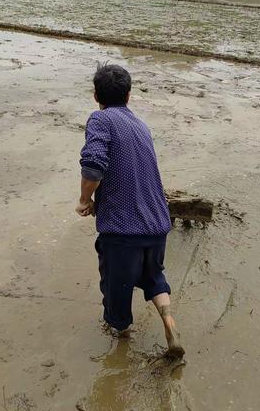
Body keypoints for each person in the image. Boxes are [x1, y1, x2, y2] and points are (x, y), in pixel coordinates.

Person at [76, 63, 185, 359]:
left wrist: (85, 200)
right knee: (153, 277)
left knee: (116, 285)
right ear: (129, 96)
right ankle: (168, 319)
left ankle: (121, 331)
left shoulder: (100, 119)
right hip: (156, 224)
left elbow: (93, 165)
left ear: (96, 94)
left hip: (124, 230)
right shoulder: (140, 125)